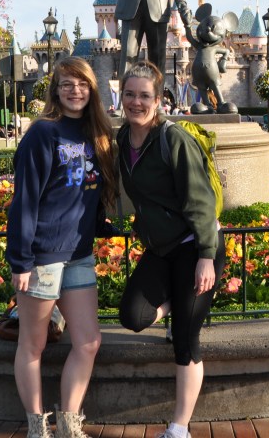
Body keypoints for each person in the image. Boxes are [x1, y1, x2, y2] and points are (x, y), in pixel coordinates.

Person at [6, 56, 118, 438]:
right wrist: (20, 260)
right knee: (33, 345)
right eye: (67, 84)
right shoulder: (43, 133)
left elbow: (88, 193)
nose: (75, 91)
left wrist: (102, 225)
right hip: (42, 257)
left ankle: (70, 423)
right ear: (56, 89)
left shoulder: (95, 133)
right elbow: (25, 200)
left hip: (79, 256)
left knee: (88, 341)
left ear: (92, 89)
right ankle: (38, 425)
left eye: (82, 84)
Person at [115, 61, 226, 438]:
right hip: (162, 248)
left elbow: (201, 201)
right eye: (129, 94)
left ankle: (179, 427)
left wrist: (207, 257)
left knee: (185, 338)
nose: (135, 102)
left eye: (144, 95)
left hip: (196, 246)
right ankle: (179, 305)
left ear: (159, 99)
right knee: (132, 315)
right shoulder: (122, 140)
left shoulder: (172, 138)